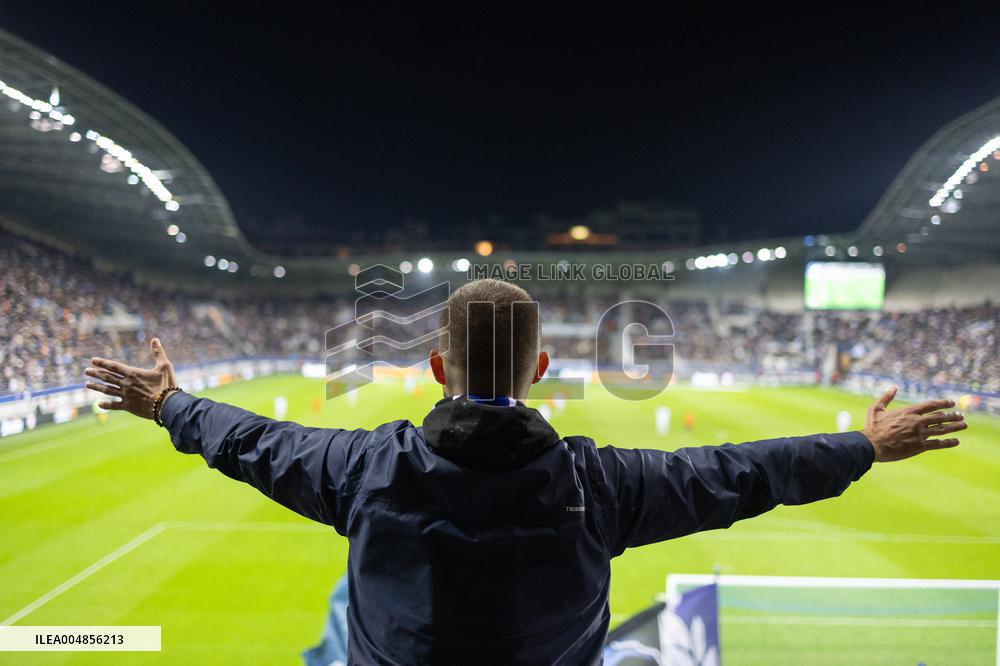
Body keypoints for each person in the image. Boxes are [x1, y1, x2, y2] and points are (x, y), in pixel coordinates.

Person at [85, 279, 967, 665]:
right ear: (541, 368)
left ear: (437, 367)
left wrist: (169, 405)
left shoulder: (364, 468)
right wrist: (864, 445)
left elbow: (254, 443)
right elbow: (737, 474)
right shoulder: (602, 485)